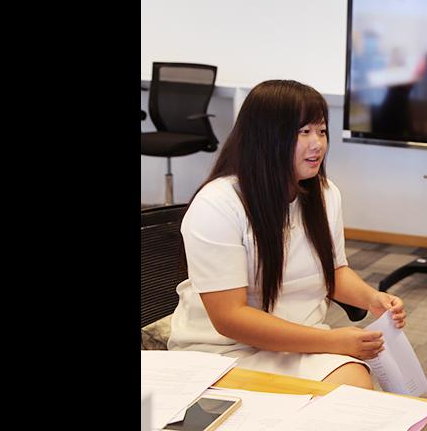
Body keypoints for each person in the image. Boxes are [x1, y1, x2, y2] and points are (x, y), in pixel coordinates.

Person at [167, 80, 407, 389]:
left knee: (356, 384)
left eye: (321, 131)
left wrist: (372, 298)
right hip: (222, 353)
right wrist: (330, 341)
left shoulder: (324, 194)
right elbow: (229, 319)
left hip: (298, 344)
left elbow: (333, 270)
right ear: (266, 137)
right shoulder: (218, 204)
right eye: (303, 132)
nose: (317, 143)